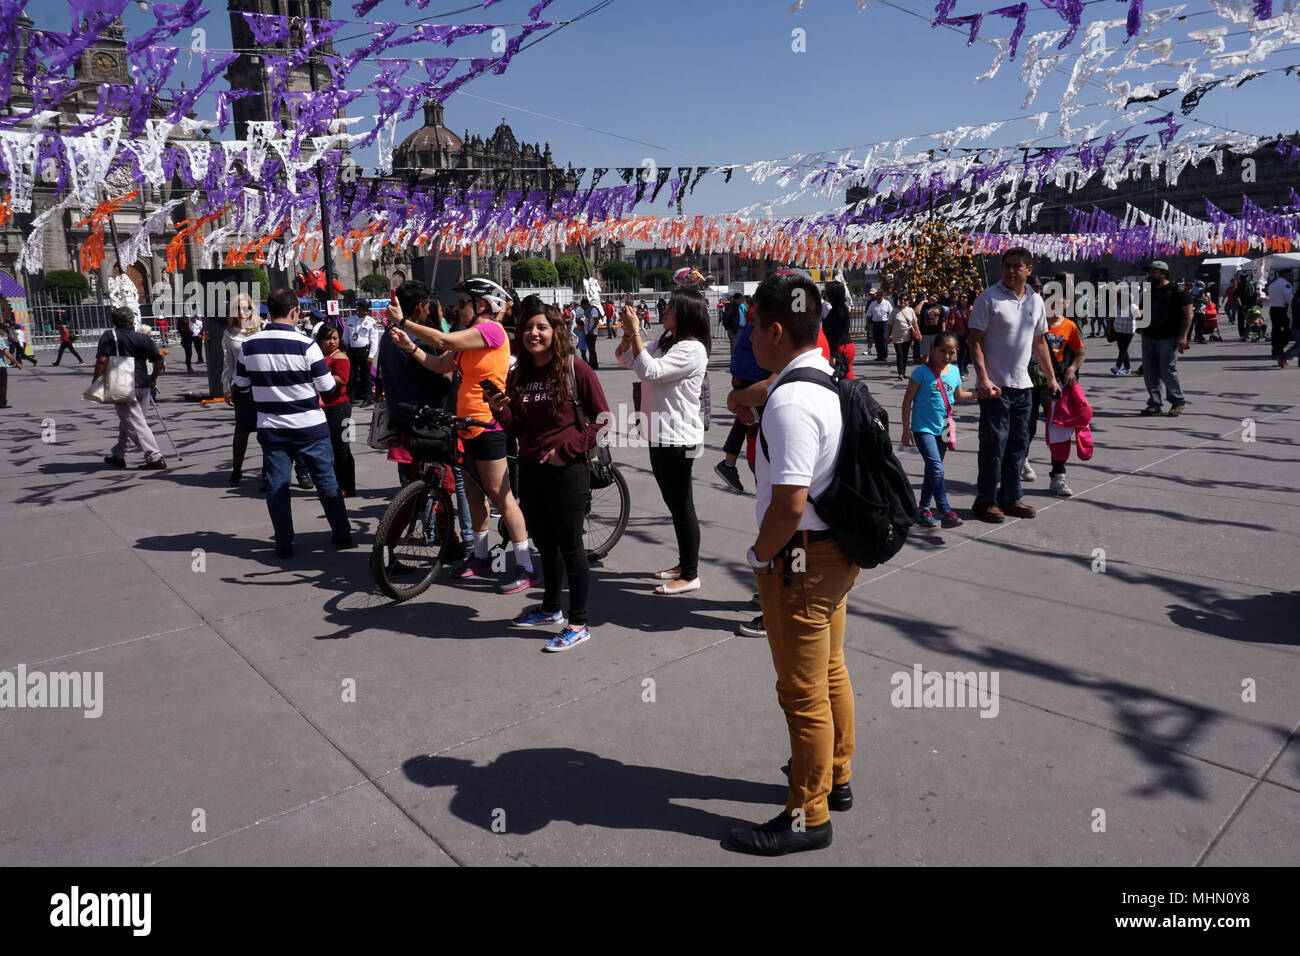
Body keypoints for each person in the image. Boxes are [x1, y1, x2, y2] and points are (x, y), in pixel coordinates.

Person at [728, 272, 854, 857]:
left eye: (753, 325)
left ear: (775, 330)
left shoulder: (790, 402)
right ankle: (838, 775)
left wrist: (759, 556)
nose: (748, 334)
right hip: (835, 552)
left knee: (801, 693)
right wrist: (742, 398)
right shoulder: (821, 376)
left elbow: (789, 504)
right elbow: (771, 389)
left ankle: (809, 813)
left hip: (800, 559)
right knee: (830, 670)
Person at [391, 276, 538, 594]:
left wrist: (404, 321)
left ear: (482, 305)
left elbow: (445, 343)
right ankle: (481, 558)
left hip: (488, 424)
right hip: (464, 425)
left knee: (502, 497)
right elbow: (439, 362)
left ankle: (526, 566)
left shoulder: (491, 330)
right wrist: (410, 347)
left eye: (462, 302)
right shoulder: (468, 337)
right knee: (473, 496)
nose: (457, 308)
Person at [489, 298, 610, 651]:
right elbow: (519, 429)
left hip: (568, 471)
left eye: (541, 327)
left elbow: (603, 420)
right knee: (544, 542)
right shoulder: (519, 375)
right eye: (527, 328)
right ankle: (550, 608)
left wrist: (566, 452)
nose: (533, 334)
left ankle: (579, 622)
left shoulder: (576, 369)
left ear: (556, 331)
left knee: (571, 546)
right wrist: (500, 411)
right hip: (530, 468)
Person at [231, 288, 353, 558]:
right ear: (294, 312)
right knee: (326, 481)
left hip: (273, 427)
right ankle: (342, 534)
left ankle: (284, 543)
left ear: (268, 312)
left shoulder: (249, 346)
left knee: (277, 485)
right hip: (310, 426)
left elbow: (240, 385)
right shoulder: (306, 345)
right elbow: (327, 387)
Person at [616, 288, 709, 595]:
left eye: (671, 307)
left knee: (682, 505)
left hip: (679, 436)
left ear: (686, 313)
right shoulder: (667, 342)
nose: (664, 310)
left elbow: (651, 371)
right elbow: (625, 358)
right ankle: (684, 563)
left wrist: (635, 332)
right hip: (659, 432)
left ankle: (691, 573)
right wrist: (630, 335)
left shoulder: (692, 349)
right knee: (674, 503)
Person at [967, 248, 1060, 522]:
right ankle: (985, 501)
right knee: (994, 444)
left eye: (1017, 266)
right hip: (995, 387)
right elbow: (974, 341)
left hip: (1024, 386)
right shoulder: (989, 298)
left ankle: (1010, 498)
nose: (1010, 271)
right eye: (1007, 266)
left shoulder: (1036, 301)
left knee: (1020, 445)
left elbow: (1040, 342)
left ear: (1028, 270)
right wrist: (983, 379)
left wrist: (1051, 377)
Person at [901, 331, 975, 529]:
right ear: (933, 349)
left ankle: (924, 508)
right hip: (922, 427)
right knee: (936, 468)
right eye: (943, 351)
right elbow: (907, 401)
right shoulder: (921, 373)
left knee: (933, 471)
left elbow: (959, 396)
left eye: (951, 352)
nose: (947, 356)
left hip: (944, 427)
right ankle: (944, 509)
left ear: (957, 352)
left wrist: (979, 394)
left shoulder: (955, 372)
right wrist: (905, 430)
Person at [94, 307, 167, 471]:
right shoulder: (143, 338)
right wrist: (153, 379)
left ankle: (154, 457)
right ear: (133, 322)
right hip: (143, 383)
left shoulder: (109, 336)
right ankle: (119, 455)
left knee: (135, 423)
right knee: (130, 420)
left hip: (123, 383)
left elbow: (102, 360)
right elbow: (159, 362)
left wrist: (96, 381)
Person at [1027, 307, 1084, 497]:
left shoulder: (1069, 326)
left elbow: (1080, 353)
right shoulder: (1031, 322)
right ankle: (1021, 461)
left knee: (1059, 428)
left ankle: (1058, 476)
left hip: (1055, 385)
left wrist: (1071, 369)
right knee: (1026, 426)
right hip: (1028, 381)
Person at [1138, 260, 1192, 417]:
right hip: (1149, 337)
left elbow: (1188, 314)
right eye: (1150, 272)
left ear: (1163, 273)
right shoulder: (1148, 291)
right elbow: (1142, 311)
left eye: (1154, 272)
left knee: (1167, 369)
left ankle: (1178, 401)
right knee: (1149, 371)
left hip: (1169, 337)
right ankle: (1154, 403)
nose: (1150, 275)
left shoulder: (1178, 290)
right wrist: (1141, 329)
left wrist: (1183, 336)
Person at [222, 293, 264, 489]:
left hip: (263, 386)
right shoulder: (230, 333)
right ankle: (236, 470)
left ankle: (268, 471)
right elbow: (228, 364)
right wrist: (226, 388)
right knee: (242, 430)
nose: (242, 312)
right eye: (238, 308)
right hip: (241, 388)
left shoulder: (261, 328)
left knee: (266, 431)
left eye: (246, 308)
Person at [314, 325, 356, 497]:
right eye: (328, 338)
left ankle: (348, 486)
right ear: (320, 340)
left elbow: (343, 379)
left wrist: (320, 379)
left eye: (335, 338)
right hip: (326, 409)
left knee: (343, 449)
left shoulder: (341, 357)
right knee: (332, 448)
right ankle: (338, 484)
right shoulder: (322, 357)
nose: (332, 342)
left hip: (341, 409)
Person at [344, 302, 379, 406]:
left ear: (367, 311)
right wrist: (344, 351)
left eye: (365, 309)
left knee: (366, 375)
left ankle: (367, 398)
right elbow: (345, 336)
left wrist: (371, 356)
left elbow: (374, 340)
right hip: (352, 350)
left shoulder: (371, 322)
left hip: (364, 351)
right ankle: (350, 398)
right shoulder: (350, 320)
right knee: (351, 375)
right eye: (360, 308)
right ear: (357, 309)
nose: (363, 311)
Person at [821, 281, 856, 378]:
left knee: (842, 377)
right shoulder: (841, 308)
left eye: (827, 292)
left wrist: (832, 354)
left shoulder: (837, 311)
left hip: (840, 348)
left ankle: (851, 393)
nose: (825, 294)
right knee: (846, 374)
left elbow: (837, 334)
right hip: (846, 346)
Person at [887, 295, 917, 381]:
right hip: (896, 337)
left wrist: (918, 334)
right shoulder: (894, 311)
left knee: (905, 355)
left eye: (905, 299)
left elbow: (915, 324)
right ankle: (900, 373)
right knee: (900, 354)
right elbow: (889, 325)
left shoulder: (910, 310)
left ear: (908, 301)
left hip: (907, 336)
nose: (903, 301)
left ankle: (903, 372)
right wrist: (887, 336)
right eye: (901, 299)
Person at [1267, 270, 1294, 361]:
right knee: (1286, 330)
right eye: (1290, 274)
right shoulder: (1285, 284)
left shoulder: (1273, 284)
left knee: (1275, 330)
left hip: (1273, 309)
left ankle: (1275, 349)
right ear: (1284, 274)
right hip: (1283, 310)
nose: (1291, 276)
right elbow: (1289, 298)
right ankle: (1279, 349)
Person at [914, 292, 948, 361]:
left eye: (936, 298)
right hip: (925, 334)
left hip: (936, 334)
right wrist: (923, 302)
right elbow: (916, 312)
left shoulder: (940, 307)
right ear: (929, 296)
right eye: (933, 296)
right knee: (925, 356)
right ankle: (927, 370)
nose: (934, 298)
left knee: (935, 355)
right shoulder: (923, 307)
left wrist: (943, 333)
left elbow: (943, 321)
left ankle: (934, 371)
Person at [1107, 297, 1136, 376]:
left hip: (1128, 332)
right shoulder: (1116, 306)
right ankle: (1127, 368)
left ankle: (1117, 367)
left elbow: (1139, 316)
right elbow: (1111, 318)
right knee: (1123, 349)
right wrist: (1109, 331)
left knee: (1123, 349)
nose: (1116, 299)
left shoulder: (1132, 307)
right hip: (1118, 331)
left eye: (1118, 298)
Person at [867, 289, 893, 363]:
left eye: (880, 296)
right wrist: (867, 324)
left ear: (882, 297)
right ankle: (879, 355)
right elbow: (869, 314)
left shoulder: (887, 303)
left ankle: (884, 355)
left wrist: (891, 324)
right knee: (877, 340)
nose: (878, 298)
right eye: (877, 296)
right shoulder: (873, 303)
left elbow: (891, 314)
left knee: (884, 338)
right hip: (875, 323)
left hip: (884, 323)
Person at [947, 294, 971, 375]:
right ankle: (961, 371)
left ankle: (964, 366)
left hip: (970, 334)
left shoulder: (972, 309)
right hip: (959, 334)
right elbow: (951, 323)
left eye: (964, 297)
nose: (962, 298)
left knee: (970, 354)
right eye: (961, 297)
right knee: (961, 353)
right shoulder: (955, 310)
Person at [0, 333, 20, 407]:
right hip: (0, 366)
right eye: (3, 330)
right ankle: (2, 403)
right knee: (2, 385)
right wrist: (17, 363)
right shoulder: (0, 339)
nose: (4, 332)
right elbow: (7, 353)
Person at [581, 297, 601, 369]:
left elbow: (596, 321)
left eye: (582, 306)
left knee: (591, 350)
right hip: (588, 332)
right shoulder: (587, 311)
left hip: (592, 333)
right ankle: (595, 365)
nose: (582, 307)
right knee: (591, 349)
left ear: (586, 304)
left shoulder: (593, 310)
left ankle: (591, 364)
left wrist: (592, 330)